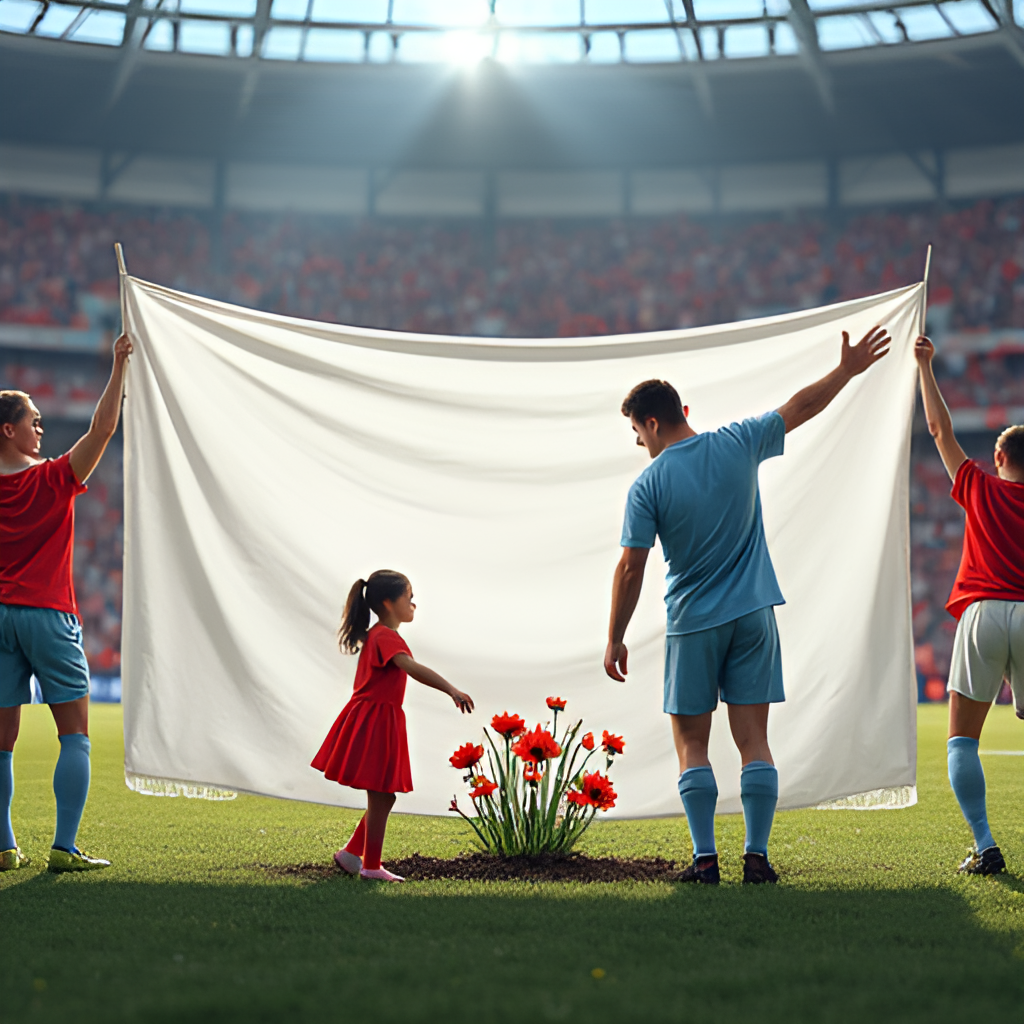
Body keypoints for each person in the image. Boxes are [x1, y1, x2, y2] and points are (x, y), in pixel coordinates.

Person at [604, 326, 891, 885]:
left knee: (692, 742)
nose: (640, 443)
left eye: (638, 433)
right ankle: (756, 858)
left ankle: (705, 860)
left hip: (693, 623)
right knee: (754, 739)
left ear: (654, 422)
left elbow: (630, 567)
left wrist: (614, 636)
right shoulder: (738, 442)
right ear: (683, 408)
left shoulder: (648, 484)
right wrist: (847, 371)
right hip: (755, 613)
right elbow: (800, 406)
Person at [0, 332, 132, 873]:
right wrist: (119, 366)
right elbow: (103, 428)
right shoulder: (55, 477)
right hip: (49, 615)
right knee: (74, 733)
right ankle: (65, 847)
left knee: (2, 744)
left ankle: (4, 847)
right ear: (8, 429)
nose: (40, 427)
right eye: (33, 420)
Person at [915, 335, 1024, 876]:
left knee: (962, 739)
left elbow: (939, 429)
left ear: (999, 456)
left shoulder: (979, 484)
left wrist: (924, 366)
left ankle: (985, 847)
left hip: (983, 612)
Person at [311, 570, 474, 882]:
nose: (414, 604)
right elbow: (409, 667)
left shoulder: (378, 635)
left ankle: (350, 855)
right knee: (381, 793)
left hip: (377, 718)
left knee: (385, 795)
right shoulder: (386, 636)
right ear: (388, 602)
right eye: (408, 598)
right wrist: (451, 689)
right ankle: (370, 866)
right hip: (375, 720)